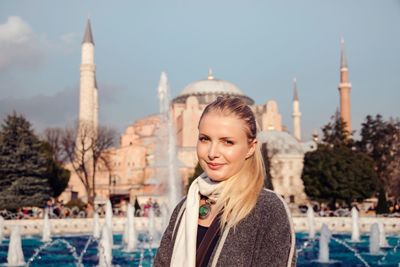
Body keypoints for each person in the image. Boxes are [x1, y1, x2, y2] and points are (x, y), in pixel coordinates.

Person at [154, 96, 296, 267]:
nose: (212, 152)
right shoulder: (186, 207)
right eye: (205, 139)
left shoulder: (267, 209)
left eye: (227, 142)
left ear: (250, 148)